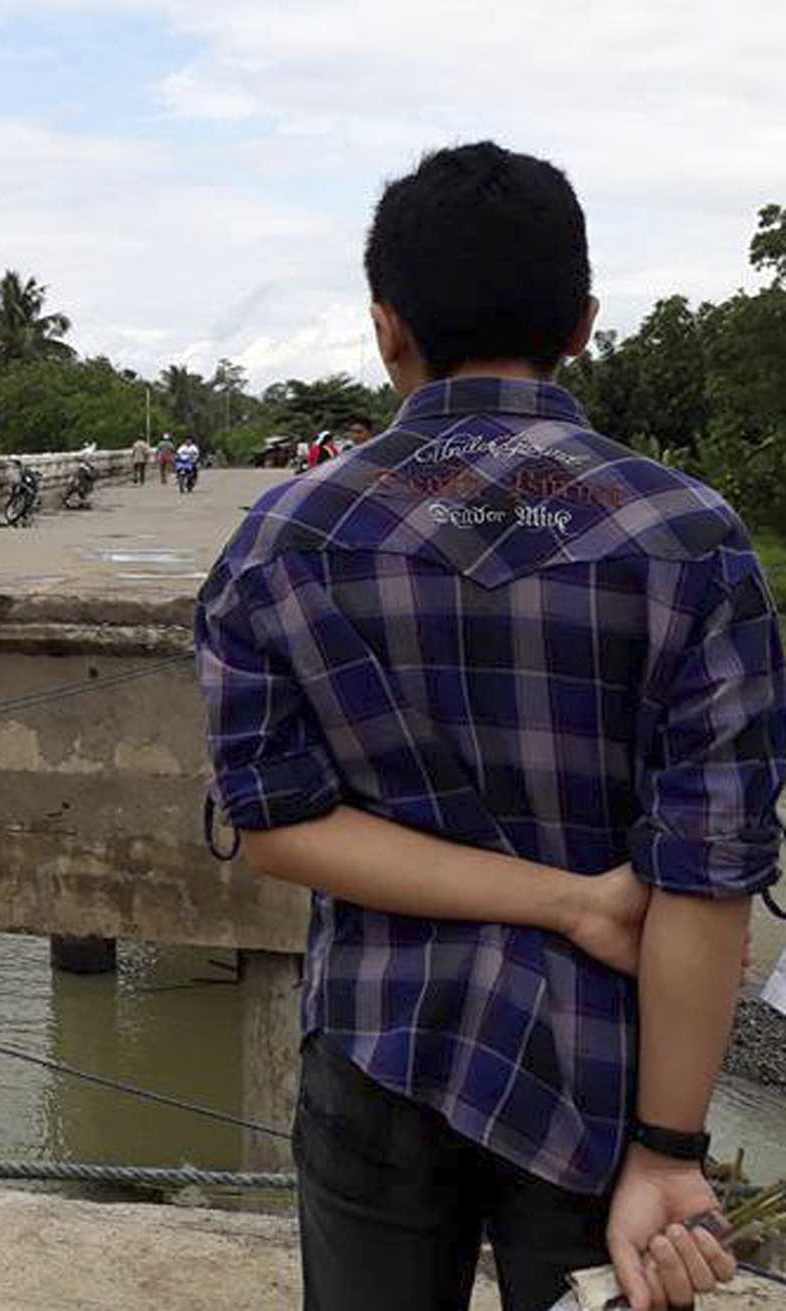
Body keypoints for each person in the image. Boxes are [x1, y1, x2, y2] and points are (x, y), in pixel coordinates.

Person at [196, 141, 762, 1311]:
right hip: (606, 1076)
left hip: (376, 1047)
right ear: (583, 324)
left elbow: (277, 827)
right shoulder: (692, 538)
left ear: (384, 325)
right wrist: (666, 1148)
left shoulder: (281, 537)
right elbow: (707, 879)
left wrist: (557, 899)